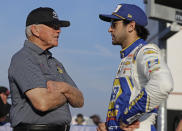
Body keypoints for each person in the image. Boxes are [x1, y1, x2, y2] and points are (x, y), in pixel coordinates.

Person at [98, 3, 173, 131]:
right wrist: (109, 125)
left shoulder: (145, 50)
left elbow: (163, 84)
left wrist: (128, 117)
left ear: (131, 26)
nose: (109, 29)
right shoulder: (128, 56)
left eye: (114, 24)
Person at [8, 7, 84, 131]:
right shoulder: (22, 58)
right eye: (54, 26)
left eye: (59, 27)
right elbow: (43, 103)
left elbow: (80, 101)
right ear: (35, 30)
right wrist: (68, 94)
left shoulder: (56, 63)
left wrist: (64, 88)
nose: (59, 31)